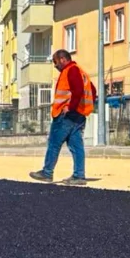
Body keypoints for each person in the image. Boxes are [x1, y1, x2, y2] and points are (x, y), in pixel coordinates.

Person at [30, 49, 97, 186]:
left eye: (55, 63)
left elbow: (78, 90)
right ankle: (79, 175)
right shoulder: (81, 72)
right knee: (76, 145)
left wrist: (70, 107)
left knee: (54, 143)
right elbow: (93, 91)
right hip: (79, 115)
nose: (55, 66)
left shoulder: (71, 70)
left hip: (66, 115)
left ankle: (47, 172)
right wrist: (80, 108)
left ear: (62, 59)